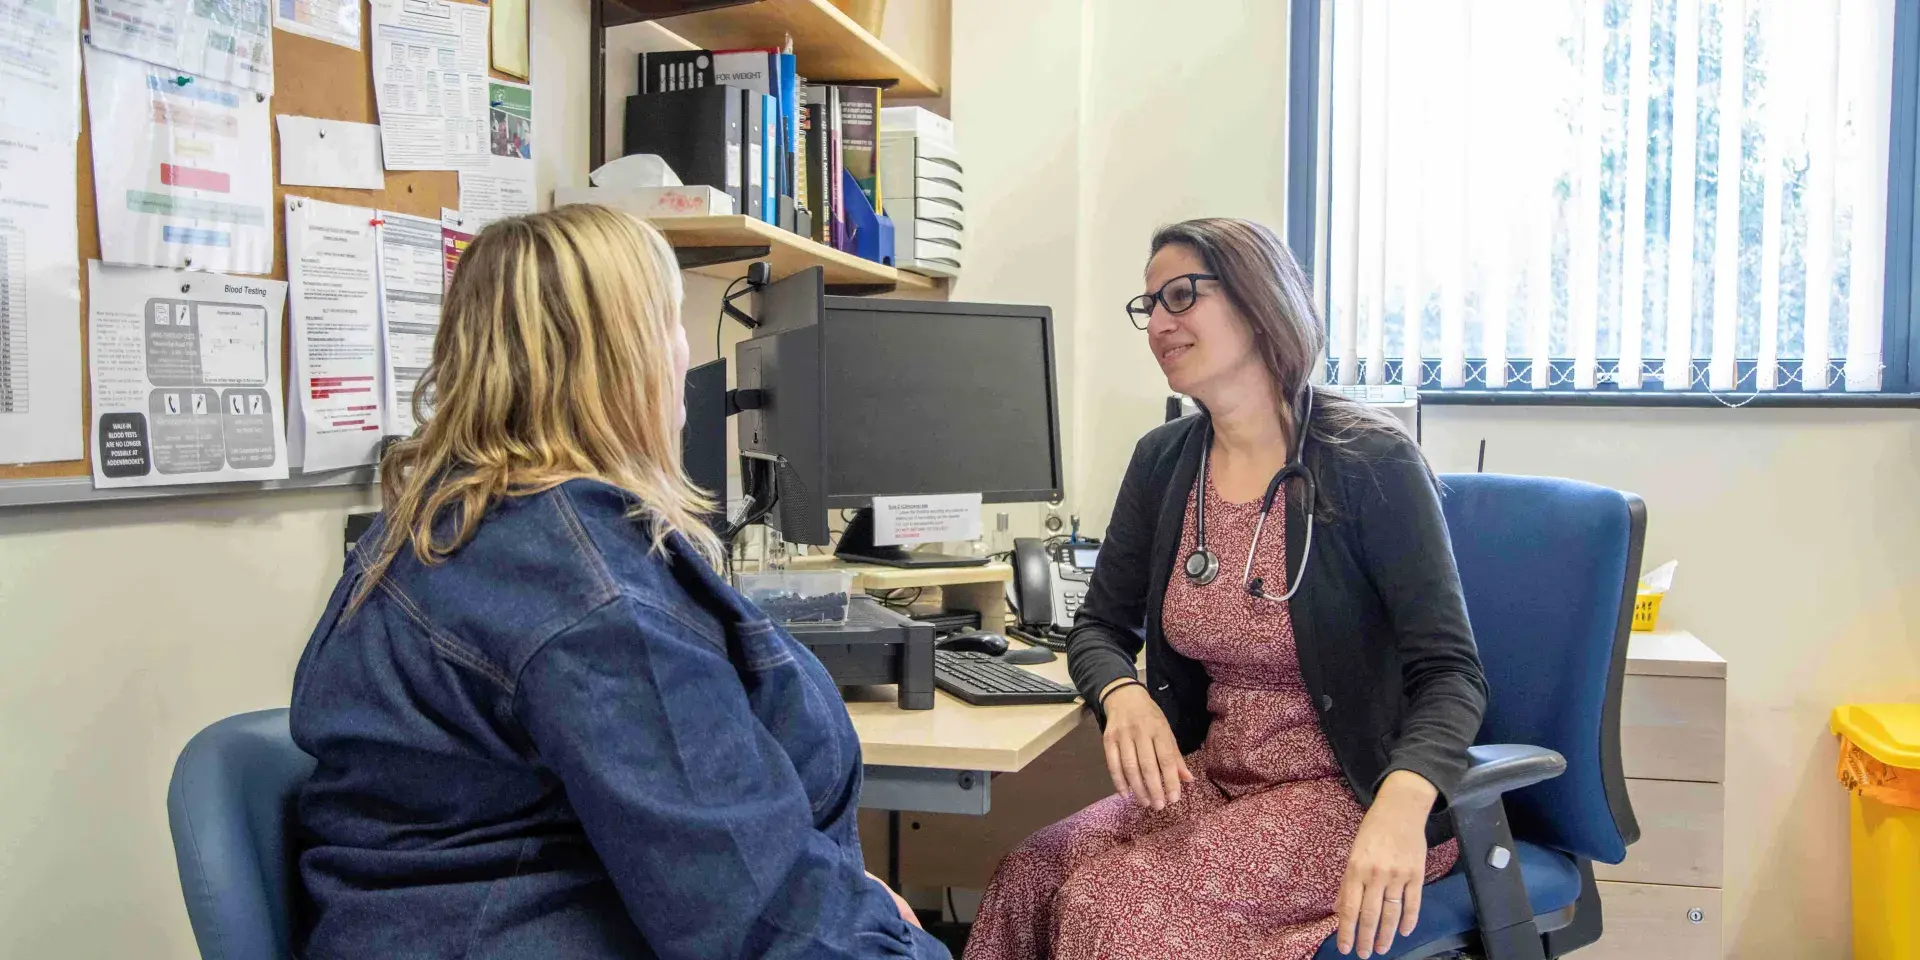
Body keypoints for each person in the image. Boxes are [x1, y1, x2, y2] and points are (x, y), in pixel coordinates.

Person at [290, 205, 949, 960]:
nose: (684, 358)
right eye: (671, 322)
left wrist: (844, 900)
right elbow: (751, 911)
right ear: (622, 357)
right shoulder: (586, 590)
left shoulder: (439, 521)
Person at [964, 218, 1487, 960]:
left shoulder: (1369, 459)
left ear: (1256, 297)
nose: (1160, 323)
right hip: (1213, 780)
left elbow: (1452, 674)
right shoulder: (1164, 461)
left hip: (1347, 793)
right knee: (1031, 875)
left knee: (1109, 910)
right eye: (1150, 306)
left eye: (1182, 295)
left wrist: (1404, 803)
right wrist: (1122, 693)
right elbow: (1099, 629)